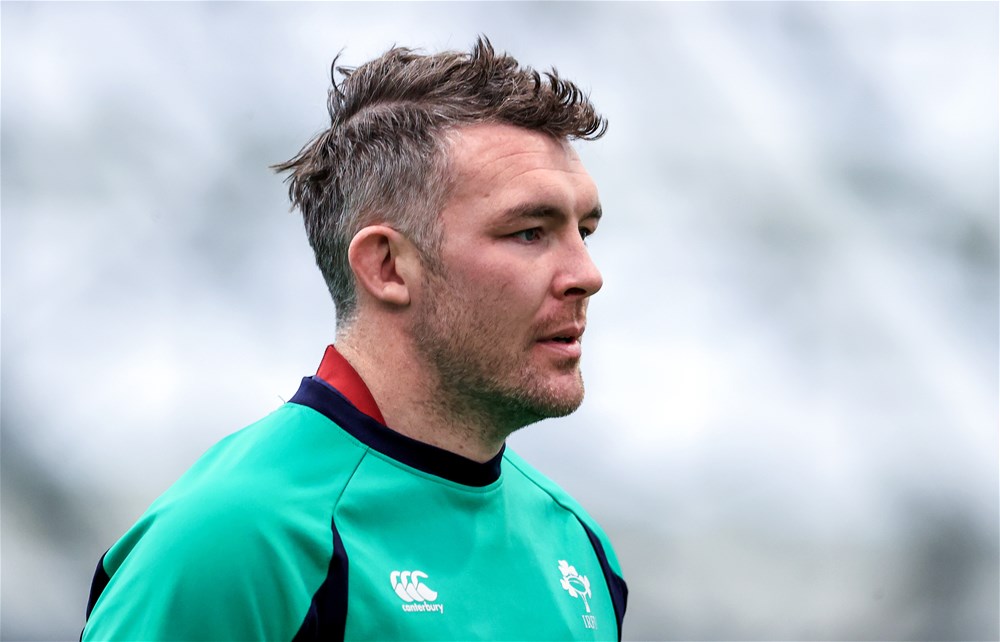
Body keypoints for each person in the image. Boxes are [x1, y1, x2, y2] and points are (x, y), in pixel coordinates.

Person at [82, 37, 627, 641]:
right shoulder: (237, 541)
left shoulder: (578, 547)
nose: (587, 275)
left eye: (584, 231)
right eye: (529, 232)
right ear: (387, 267)